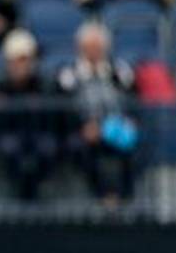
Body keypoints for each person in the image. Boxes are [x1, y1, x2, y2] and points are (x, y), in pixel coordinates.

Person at [58, 22, 138, 202]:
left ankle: (124, 198)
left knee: (133, 147)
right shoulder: (69, 74)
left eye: (97, 47)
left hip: (116, 128)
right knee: (80, 148)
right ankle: (101, 196)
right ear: (80, 48)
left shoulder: (119, 71)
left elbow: (134, 99)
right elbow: (61, 107)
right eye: (88, 48)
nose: (93, 52)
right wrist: (82, 127)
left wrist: (130, 121)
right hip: (84, 131)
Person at [0, 30, 62, 201]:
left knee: (47, 147)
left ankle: (38, 189)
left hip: (38, 133)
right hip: (11, 134)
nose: (18, 66)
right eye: (14, 61)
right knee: (9, 148)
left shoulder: (44, 84)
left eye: (23, 61)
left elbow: (52, 118)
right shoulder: (0, 85)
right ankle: (19, 194)